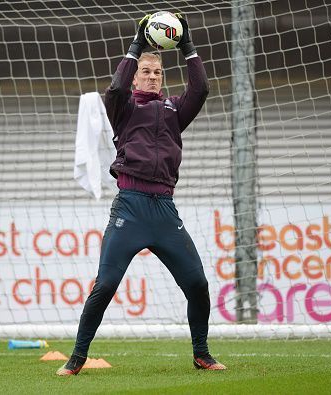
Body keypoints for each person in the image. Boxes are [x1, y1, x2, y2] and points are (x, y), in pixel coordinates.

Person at [57, 14, 226, 375]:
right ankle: (76, 358)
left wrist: (187, 45)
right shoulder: (124, 109)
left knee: (197, 283)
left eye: (157, 73)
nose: (152, 77)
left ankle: (201, 354)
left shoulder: (174, 110)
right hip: (130, 209)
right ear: (136, 75)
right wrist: (136, 45)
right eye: (146, 72)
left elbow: (201, 90)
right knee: (105, 286)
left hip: (164, 210)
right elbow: (114, 91)